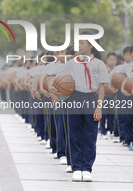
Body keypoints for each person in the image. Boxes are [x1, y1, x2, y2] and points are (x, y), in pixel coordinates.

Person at [51, 31, 110, 182]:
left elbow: (102, 87)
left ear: (91, 45)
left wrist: (99, 107)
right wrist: (54, 90)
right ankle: (77, 167)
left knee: (90, 135)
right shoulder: (71, 63)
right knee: (74, 133)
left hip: (92, 98)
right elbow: (58, 80)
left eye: (82, 43)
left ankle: (87, 168)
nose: (79, 46)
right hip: (75, 98)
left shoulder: (99, 64)